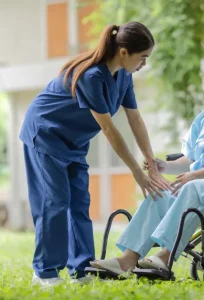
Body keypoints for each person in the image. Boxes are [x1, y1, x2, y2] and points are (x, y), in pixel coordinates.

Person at [90, 52, 204, 275]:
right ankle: (127, 260)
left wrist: (197, 175)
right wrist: (161, 166)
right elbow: (191, 158)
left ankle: (164, 258)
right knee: (160, 192)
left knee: (193, 186)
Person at [20, 21, 170, 286]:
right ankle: (44, 273)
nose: (144, 63)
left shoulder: (123, 76)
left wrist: (149, 159)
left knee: (79, 204)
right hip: (45, 134)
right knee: (55, 201)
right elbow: (110, 130)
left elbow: (134, 118)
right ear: (124, 52)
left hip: (74, 143)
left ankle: (81, 270)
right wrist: (137, 173)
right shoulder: (91, 76)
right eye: (143, 57)